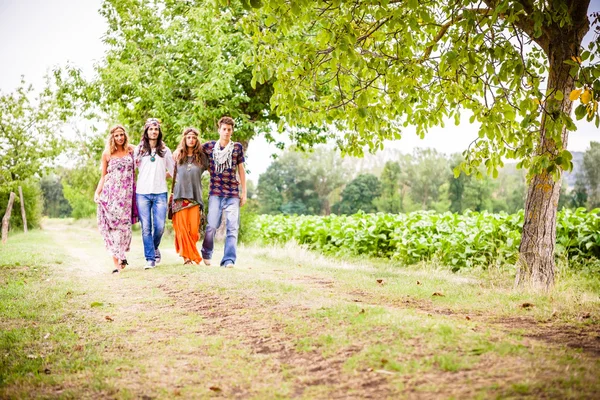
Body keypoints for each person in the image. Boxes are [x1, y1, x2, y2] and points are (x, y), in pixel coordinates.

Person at [201, 116, 247, 268]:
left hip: (232, 193)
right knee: (212, 225)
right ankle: (206, 253)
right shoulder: (209, 146)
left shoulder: (237, 148)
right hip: (215, 192)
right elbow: (192, 148)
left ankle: (228, 260)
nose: (226, 132)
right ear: (219, 130)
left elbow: (241, 170)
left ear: (232, 131)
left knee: (233, 227)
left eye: (229, 129)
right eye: (224, 129)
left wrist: (244, 192)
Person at [94, 124, 136, 273]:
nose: (119, 138)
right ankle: (116, 263)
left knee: (125, 228)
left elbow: (147, 153)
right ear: (112, 137)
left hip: (126, 196)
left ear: (125, 135)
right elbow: (103, 176)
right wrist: (97, 193)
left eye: (121, 135)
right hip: (111, 194)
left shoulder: (131, 150)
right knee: (112, 227)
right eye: (116, 135)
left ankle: (122, 254)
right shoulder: (107, 154)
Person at [135, 118, 174, 270]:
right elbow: (132, 168)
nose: (153, 131)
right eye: (151, 129)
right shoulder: (139, 150)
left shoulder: (165, 150)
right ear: (146, 131)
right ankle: (150, 258)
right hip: (142, 193)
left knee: (159, 227)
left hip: (160, 193)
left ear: (159, 132)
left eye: (156, 129)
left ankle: (154, 247)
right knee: (146, 227)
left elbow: (173, 171)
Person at [171, 127, 209, 264]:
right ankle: (187, 258)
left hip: (195, 197)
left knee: (193, 230)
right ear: (184, 139)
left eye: (194, 137)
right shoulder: (177, 156)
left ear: (197, 140)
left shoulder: (203, 158)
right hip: (179, 197)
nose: (191, 140)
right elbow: (169, 171)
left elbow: (213, 170)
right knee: (181, 230)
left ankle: (190, 253)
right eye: (188, 137)